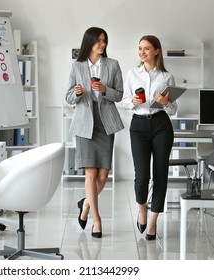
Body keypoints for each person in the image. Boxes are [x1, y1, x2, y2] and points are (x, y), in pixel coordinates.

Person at [66, 27, 124, 238]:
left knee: (103, 175)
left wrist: (104, 90)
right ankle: (97, 220)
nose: (102, 44)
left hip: (105, 122)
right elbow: (68, 97)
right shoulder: (77, 66)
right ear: (89, 42)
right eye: (98, 41)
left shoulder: (113, 65)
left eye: (104, 41)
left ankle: (86, 205)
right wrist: (76, 92)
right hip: (84, 123)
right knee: (90, 173)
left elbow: (119, 95)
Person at [120, 35, 177, 240]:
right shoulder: (132, 73)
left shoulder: (166, 76)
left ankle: (153, 221)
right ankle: (142, 208)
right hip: (139, 125)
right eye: (140, 49)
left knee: (160, 174)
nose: (142, 52)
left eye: (146, 49)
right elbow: (124, 102)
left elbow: (173, 110)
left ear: (156, 51)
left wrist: (164, 102)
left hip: (162, 125)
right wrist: (132, 101)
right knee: (142, 175)